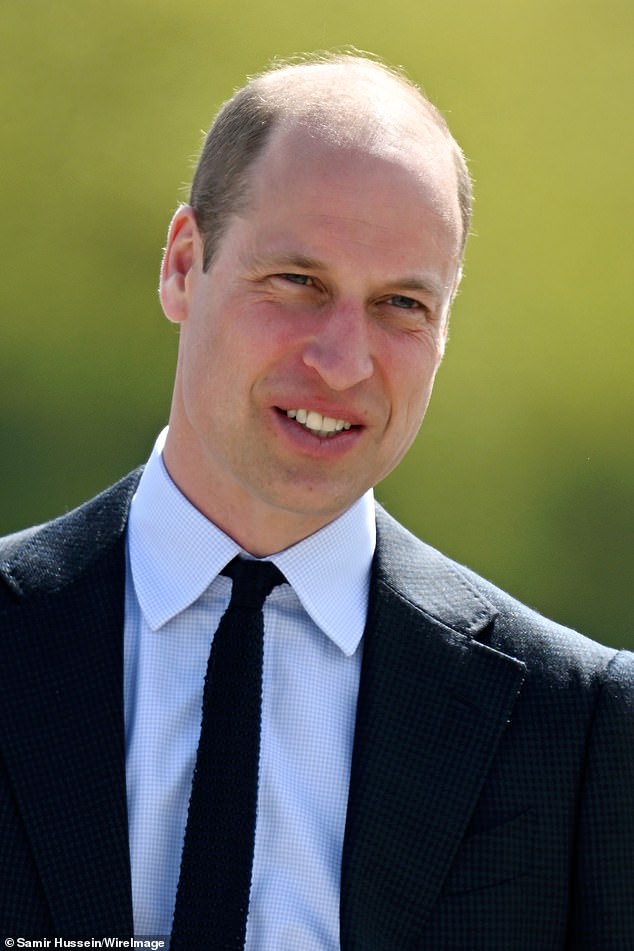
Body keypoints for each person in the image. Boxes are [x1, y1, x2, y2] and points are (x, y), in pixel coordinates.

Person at [0, 52, 632, 950]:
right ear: (184, 265)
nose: (343, 360)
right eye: (299, 282)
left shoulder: (576, 724)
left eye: (403, 304)